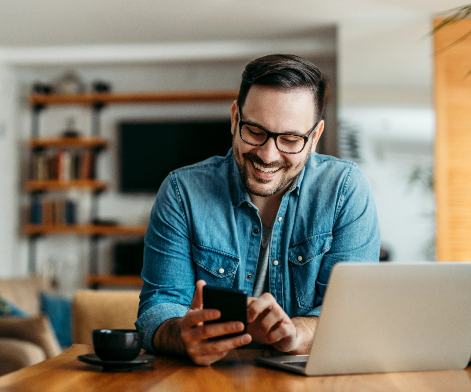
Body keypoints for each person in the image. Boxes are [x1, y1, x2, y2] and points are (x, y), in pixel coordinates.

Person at [136, 54, 380, 366]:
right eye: (254, 131)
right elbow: (159, 307)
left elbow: (352, 315)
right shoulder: (181, 192)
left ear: (314, 137)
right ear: (235, 117)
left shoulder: (346, 190)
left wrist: (295, 333)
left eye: (290, 139)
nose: (267, 155)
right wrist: (181, 335)